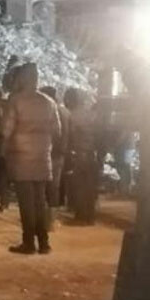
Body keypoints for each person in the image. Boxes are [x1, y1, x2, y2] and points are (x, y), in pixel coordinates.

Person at [2, 64, 61, 255]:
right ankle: (44, 242)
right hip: (43, 158)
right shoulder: (49, 102)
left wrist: (1, 152)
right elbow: (57, 131)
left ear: (22, 79)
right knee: (39, 201)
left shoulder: (16, 101)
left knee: (26, 203)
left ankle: (28, 242)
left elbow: (5, 131)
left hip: (21, 158)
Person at [63, 89, 100, 224]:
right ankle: (89, 216)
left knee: (79, 186)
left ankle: (81, 215)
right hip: (92, 153)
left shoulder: (72, 116)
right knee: (89, 187)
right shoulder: (90, 114)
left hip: (79, 154)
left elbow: (70, 136)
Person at [40, 86, 71, 212]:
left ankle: (47, 213)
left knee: (45, 184)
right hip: (59, 151)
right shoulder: (65, 112)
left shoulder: (49, 110)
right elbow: (69, 133)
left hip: (48, 151)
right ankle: (52, 213)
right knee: (54, 184)